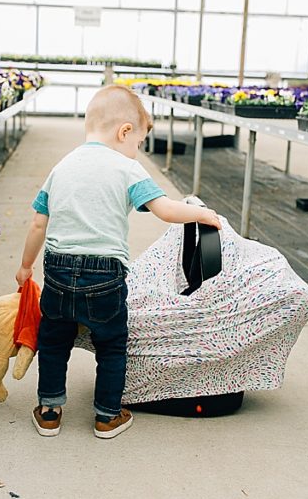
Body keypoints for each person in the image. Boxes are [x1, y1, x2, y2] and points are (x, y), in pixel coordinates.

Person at [15, 84, 221, 439]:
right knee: (111, 346)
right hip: (105, 275)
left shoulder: (62, 167)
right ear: (124, 131)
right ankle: (107, 415)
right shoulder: (127, 169)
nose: (136, 150)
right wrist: (203, 215)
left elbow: (38, 223)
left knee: (53, 342)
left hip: (58, 270)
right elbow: (165, 210)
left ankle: (49, 410)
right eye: (138, 142)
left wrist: (25, 267)